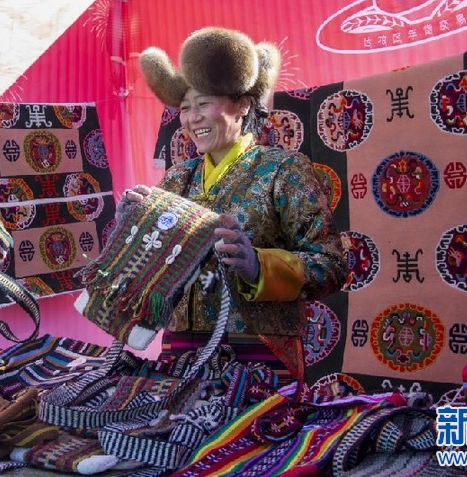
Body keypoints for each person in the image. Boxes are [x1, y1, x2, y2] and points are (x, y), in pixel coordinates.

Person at [128, 26, 346, 384]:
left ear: (243, 105)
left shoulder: (283, 170)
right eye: (185, 108)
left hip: (259, 353)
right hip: (181, 353)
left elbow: (332, 265)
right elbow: (153, 268)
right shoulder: (176, 178)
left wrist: (259, 266)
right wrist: (135, 229)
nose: (192, 118)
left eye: (203, 104)